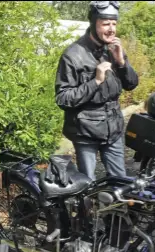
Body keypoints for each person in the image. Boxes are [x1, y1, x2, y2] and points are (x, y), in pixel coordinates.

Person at [55, 1, 138, 181]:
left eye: (114, 23)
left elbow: (131, 84)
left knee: (120, 183)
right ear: (93, 23)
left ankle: (113, 210)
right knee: (88, 186)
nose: (111, 29)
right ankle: (87, 210)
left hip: (113, 129)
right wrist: (96, 81)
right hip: (86, 133)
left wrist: (122, 63)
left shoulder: (114, 49)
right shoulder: (73, 54)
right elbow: (63, 98)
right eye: (105, 23)